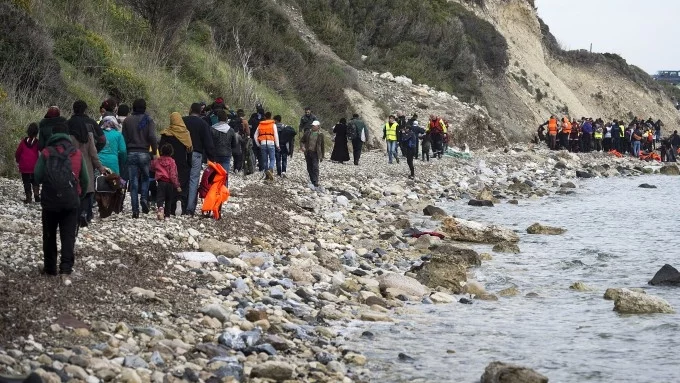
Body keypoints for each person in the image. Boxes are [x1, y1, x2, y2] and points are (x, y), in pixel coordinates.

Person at [34, 121, 88, 278]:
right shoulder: (77, 153)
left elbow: (37, 176)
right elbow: (84, 180)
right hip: (70, 201)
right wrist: (79, 195)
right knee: (68, 235)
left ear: (53, 135)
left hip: (50, 201)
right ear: (68, 135)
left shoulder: (46, 153)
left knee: (49, 234)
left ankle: (50, 268)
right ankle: (65, 268)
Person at [68, 100, 109, 227]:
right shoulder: (90, 127)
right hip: (87, 162)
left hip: (71, 164)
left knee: (73, 188)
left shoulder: (68, 124)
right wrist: (100, 167)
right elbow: (101, 141)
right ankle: (85, 214)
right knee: (88, 189)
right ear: (85, 110)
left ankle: (72, 215)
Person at [122, 98, 157, 219]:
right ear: (145, 107)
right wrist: (154, 151)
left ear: (133, 107)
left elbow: (124, 138)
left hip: (131, 152)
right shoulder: (149, 120)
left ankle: (135, 210)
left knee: (133, 180)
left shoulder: (127, 120)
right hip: (144, 153)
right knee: (146, 178)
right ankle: (143, 198)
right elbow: (152, 136)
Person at [184, 102, 214, 216]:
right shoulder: (203, 124)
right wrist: (212, 158)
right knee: (193, 180)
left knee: (182, 178)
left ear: (191, 109)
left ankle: (179, 203)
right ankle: (190, 208)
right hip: (197, 154)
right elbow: (208, 142)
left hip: (183, 153)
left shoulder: (183, 120)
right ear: (200, 111)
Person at [159, 112, 192, 214]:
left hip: (169, 164)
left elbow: (161, 149)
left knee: (171, 183)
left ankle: (172, 207)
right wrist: (189, 164)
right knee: (182, 184)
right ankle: (181, 201)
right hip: (182, 163)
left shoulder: (166, 133)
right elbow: (190, 150)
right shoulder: (186, 134)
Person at [151, 144, 182, 220]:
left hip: (161, 182)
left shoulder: (158, 160)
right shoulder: (172, 161)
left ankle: (160, 208)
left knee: (160, 198)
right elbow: (173, 174)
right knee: (168, 199)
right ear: (171, 152)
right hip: (170, 183)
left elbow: (152, 167)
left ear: (161, 151)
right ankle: (167, 216)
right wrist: (177, 185)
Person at [15, 123, 41, 203]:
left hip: (24, 166)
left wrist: (18, 160)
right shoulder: (38, 143)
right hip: (35, 166)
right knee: (35, 181)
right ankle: (36, 195)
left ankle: (28, 197)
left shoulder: (23, 142)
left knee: (26, 182)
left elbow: (18, 153)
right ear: (37, 132)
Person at [210, 109, 239, 181]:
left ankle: (215, 190)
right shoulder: (231, 130)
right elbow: (234, 144)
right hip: (226, 154)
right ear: (226, 119)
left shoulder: (212, 128)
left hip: (215, 154)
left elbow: (209, 142)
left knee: (214, 175)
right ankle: (224, 190)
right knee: (224, 175)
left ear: (217, 118)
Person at [254, 111, 279, 180]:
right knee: (272, 158)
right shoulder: (273, 125)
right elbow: (276, 135)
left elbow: (255, 135)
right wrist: (277, 145)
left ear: (264, 117)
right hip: (271, 143)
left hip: (263, 143)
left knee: (264, 160)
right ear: (271, 117)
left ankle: (267, 175)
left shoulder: (260, 125)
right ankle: (270, 170)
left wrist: (258, 144)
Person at [300, 120, 325, 189]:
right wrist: (302, 146)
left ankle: (315, 181)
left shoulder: (320, 134)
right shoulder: (308, 133)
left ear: (318, 126)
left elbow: (322, 145)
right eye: (312, 126)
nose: (313, 127)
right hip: (308, 152)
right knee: (309, 167)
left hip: (316, 153)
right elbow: (302, 140)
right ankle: (312, 180)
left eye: (314, 126)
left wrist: (322, 156)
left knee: (315, 167)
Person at [249, 103, 266, 171]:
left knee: (254, 152)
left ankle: (253, 167)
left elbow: (249, 126)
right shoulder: (264, 118)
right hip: (262, 138)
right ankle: (261, 168)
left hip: (254, 137)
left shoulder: (253, 116)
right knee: (261, 153)